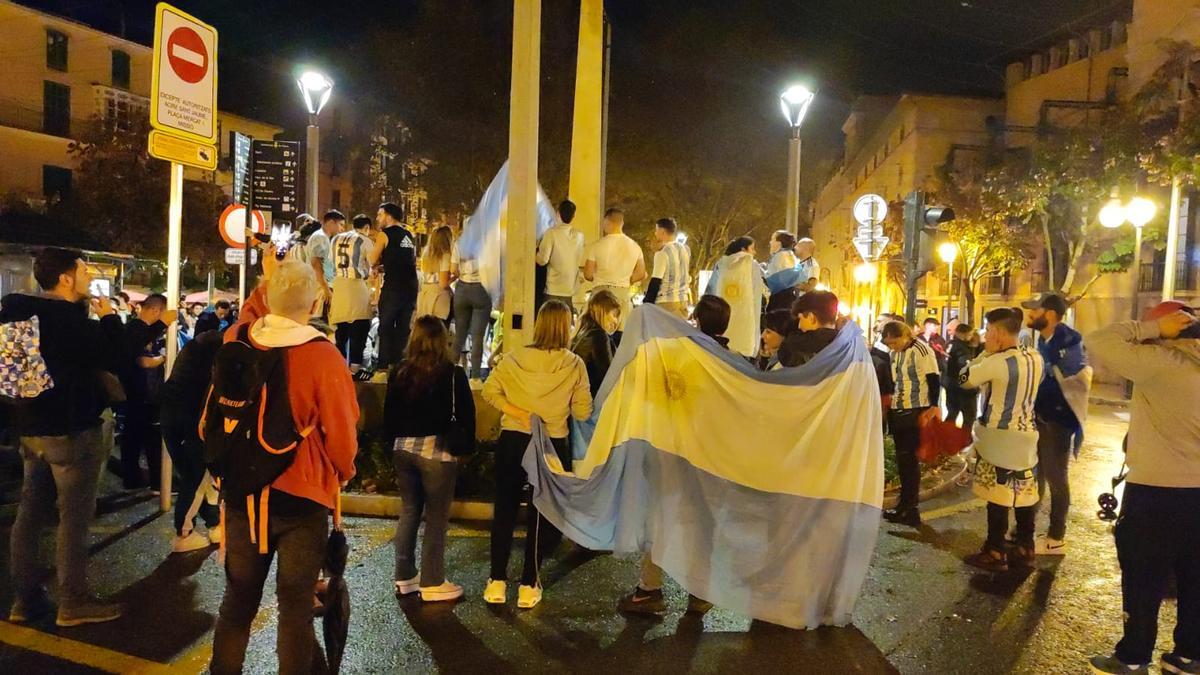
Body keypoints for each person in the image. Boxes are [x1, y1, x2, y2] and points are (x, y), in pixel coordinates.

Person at [210, 257, 359, 675]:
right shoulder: (322, 355)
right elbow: (342, 434)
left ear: (266, 299)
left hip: (242, 494)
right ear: (314, 304)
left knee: (238, 603)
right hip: (301, 497)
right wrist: (343, 473)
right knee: (294, 610)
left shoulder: (238, 338)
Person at [2, 247, 127, 626]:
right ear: (67, 277)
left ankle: (25, 600)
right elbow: (113, 355)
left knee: (30, 513)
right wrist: (110, 319)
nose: (91, 276)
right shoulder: (66, 318)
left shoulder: (17, 311)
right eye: (85, 269)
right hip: (71, 429)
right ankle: (73, 601)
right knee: (73, 518)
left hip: (31, 429)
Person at [1086, 302, 1200, 675]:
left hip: (1156, 492)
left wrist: (1150, 330)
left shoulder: (1162, 363)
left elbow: (1100, 340)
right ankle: (1188, 655)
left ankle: (1133, 656)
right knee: (1194, 578)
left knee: (1143, 577)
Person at [618, 295, 726, 616]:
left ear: (695, 319)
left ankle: (650, 590)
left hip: (667, 449)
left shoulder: (673, 354)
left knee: (659, 519)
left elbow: (642, 391)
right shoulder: (728, 360)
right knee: (701, 523)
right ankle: (699, 592)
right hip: (708, 455)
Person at [481, 301, 592, 609]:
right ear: (565, 326)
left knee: (504, 509)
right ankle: (529, 583)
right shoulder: (574, 365)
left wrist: (519, 412)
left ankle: (497, 581)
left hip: (513, 438)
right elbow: (583, 412)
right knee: (541, 513)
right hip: (552, 444)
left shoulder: (514, 358)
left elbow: (490, 391)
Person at [385, 316, 475, 602]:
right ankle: (433, 580)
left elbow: (388, 415)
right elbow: (466, 414)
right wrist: (465, 449)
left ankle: (404, 575)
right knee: (436, 517)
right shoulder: (452, 373)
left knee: (410, 510)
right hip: (437, 451)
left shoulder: (399, 371)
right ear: (442, 340)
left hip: (403, 449)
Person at [959, 307, 1044, 572]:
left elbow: (964, 379)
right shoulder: (1034, 356)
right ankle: (1025, 545)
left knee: (997, 494)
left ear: (996, 332)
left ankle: (995, 550)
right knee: (1024, 492)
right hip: (1027, 435)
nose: (985, 336)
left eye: (987, 331)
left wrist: (984, 353)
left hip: (999, 436)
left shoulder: (995, 363)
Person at [1019, 291, 1090, 557]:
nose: (1029, 314)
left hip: (1057, 423)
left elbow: (1069, 380)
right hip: (1040, 419)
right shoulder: (1042, 340)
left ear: (1048, 315)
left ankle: (1056, 537)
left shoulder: (1069, 342)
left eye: (1034, 310)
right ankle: (1027, 530)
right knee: (1034, 477)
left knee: (1056, 480)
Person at [160, 328, 223, 553]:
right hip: (193, 422)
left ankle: (214, 523)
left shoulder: (191, 351)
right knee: (197, 478)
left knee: (197, 477)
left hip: (170, 417)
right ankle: (184, 532)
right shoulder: (215, 357)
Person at [880, 320, 941, 527]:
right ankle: (904, 506)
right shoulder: (895, 353)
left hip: (915, 410)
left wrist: (934, 406)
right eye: (889, 344)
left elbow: (934, 379)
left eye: (894, 342)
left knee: (909, 460)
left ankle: (910, 508)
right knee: (903, 459)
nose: (892, 347)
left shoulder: (922, 351)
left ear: (905, 336)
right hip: (899, 408)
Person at [118, 293, 173, 491]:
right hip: (140, 392)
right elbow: (142, 360)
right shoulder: (137, 329)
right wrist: (163, 359)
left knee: (134, 437)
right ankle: (155, 481)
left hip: (137, 392)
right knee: (147, 436)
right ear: (156, 310)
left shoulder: (138, 329)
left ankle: (133, 478)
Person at [369, 202, 419, 377]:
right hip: (411, 288)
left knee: (386, 326)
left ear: (389, 216)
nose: (377, 218)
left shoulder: (384, 235)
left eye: (380, 214)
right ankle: (400, 365)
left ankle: (383, 366)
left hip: (393, 288)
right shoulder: (408, 235)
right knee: (403, 328)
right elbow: (403, 261)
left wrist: (376, 264)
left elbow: (372, 259)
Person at [584, 208, 647, 330]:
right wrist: (627, 280)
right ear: (622, 223)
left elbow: (588, 274)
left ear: (607, 222)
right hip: (622, 294)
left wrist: (599, 277)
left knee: (597, 332)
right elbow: (641, 273)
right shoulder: (634, 246)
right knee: (621, 336)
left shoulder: (597, 246)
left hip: (599, 294)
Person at [329, 213, 376, 374]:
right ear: (367, 228)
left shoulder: (336, 239)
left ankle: (339, 366)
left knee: (341, 331)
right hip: (357, 287)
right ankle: (354, 368)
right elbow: (373, 265)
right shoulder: (365, 240)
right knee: (360, 328)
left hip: (339, 286)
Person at [704, 236, 765, 357]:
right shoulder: (752, 265)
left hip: (722, 318)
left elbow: (711, 289)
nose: (754, 252)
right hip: (746, 320)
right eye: (752, 248)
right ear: (743, 249)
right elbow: (757, 293)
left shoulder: (721, 263)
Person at [451, 225, 493, 380]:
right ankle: (475, 378)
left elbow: (453, 269)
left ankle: (452, 375)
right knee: (477, 337)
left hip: (462, 289)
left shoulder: (458, 244)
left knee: (459, 336)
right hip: (481, 289)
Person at [570, 290, 622, 397]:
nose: (616, 321)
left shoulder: (583, 331)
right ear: (603, 312)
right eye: (614, 315)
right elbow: (608, 376)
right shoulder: (599, 336)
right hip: (593, 399)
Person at [537, 200, 586, 311]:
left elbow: (542, 260)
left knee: (550, 322)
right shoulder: (580, 236)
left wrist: (534, 254)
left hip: (552, 288)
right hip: (570, 288)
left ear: (558, 213)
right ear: (574, 216)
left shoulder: (551, 233)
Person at [641, 218, 691, 320]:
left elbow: (656, 281)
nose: (655, 233)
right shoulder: (686, 250)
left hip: (666, 303)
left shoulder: (662, 252)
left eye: (656, 230)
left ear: (662, 231)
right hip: (683, 301)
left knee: (663, 335)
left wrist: (647, 302)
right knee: (680, 335)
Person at [778, 290, 840, 367]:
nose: (799, 326)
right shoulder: (848, 348)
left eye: (800, 318)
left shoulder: (795, 349)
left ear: (811, 318)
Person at [305, 210, 347, 317]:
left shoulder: (325, 238)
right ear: (331, 223)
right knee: (320, 322)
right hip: (319, 289)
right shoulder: (320, 238)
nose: (342, 229)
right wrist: (326, 290)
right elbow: (316, 265)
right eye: (340, 225)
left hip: (321, 287)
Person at [943, 323, 983, 427]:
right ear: (963, 334)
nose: (970, 337)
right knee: (969, 417)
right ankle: (965, 440)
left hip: (950, 383)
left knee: (952, 413)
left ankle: (946, 436)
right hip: (962, 387)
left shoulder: (949, 344)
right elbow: (965, 366)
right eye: (969, 335)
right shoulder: (961, 347)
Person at [416, 225, 453, 324]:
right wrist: (455, 277)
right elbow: (443, 283)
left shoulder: (426, 255)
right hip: (439, 298)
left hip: (425, 296)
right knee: (439, 331)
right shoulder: (445, 256)